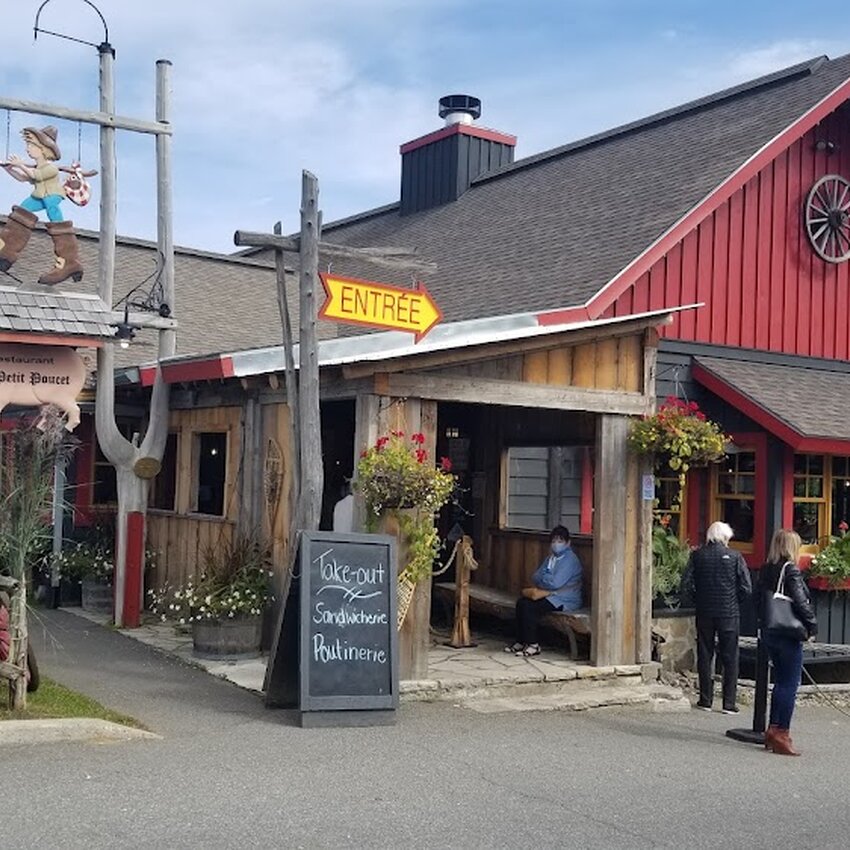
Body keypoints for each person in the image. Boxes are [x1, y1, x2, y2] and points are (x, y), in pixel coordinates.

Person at [680, 521, 752, 713]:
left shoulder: (697, 555)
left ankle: (706, 700)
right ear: (726, 537)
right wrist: (734, 601)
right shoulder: (736, 557)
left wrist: (698, 600)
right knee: (730, 657)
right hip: (729, 613)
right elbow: (746, 587)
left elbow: (686, 584)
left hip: (705, 612)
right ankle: (729, 703)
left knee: (705, 654)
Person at [757, 529, 817, 756]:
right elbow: (801, 603)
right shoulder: (790, 570)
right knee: (790, 683)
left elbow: (758, 598)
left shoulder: (766, 568)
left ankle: (772, 729)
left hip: (771, 630)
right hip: (788, 632)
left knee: (780, 682)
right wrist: (811, 626)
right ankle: (782, 732)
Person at [0, 125, 84, 284]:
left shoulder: (51, 168)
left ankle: (69, 261)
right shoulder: (39, 166)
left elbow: (35, 175)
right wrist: (8, 168)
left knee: (57, 222)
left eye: (31, 146)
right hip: (40, 196)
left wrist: (20, 164)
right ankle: (6, 250)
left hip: (51, 197)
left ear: (43, 149)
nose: (28, 149)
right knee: (21, 213)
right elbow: (23, 178)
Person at [504, 525, 583, 657]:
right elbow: (535, 576)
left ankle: (533, 644)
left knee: (530, 607)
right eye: (554, 541)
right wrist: (547, 578)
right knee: (521, 603)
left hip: (565, 599)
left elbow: (555, 583)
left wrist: (545, 578)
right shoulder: (551, 558)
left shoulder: (570, 560)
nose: (556, 544)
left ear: (568, 543)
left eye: (560, 541)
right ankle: (521, 641)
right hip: (550, 595)